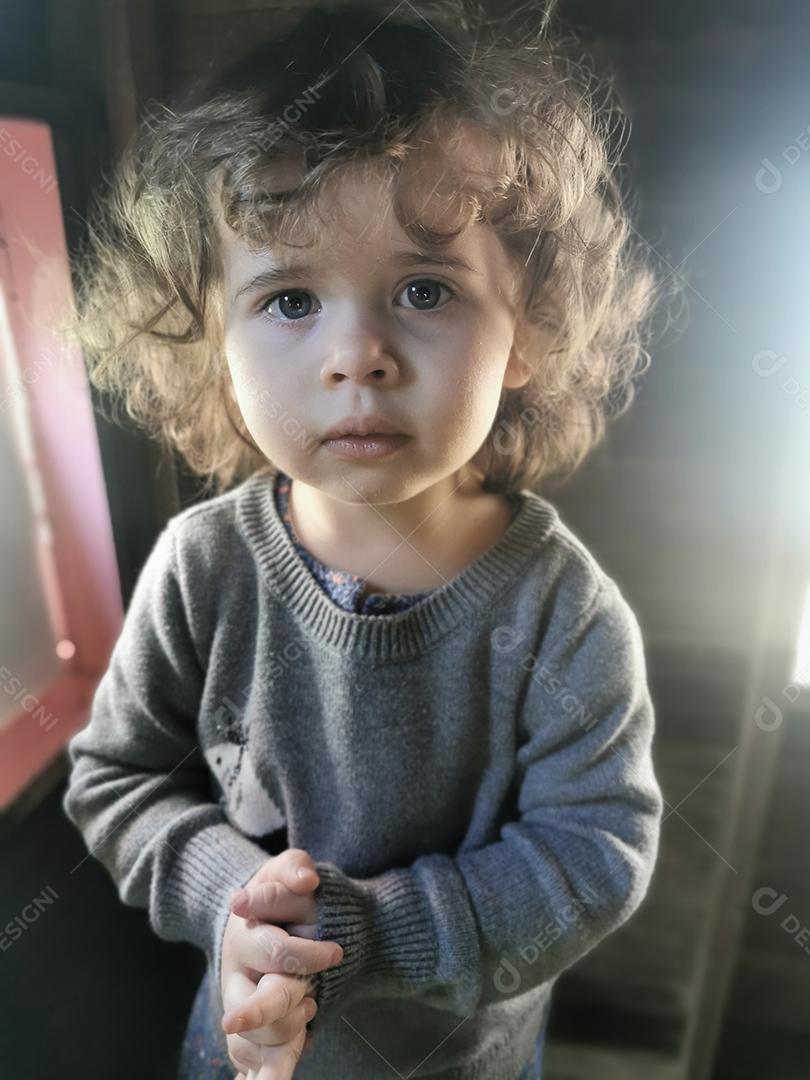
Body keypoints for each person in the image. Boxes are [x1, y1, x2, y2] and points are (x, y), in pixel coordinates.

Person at [60, 2, 671, 1077]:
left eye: (424, 290)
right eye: (291, 297)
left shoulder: (560, 614)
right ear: (215, 342)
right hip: (241, 1054)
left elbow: (596, 854)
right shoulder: (203, 571)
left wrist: (360, 934)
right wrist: (234, 903)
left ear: (525, 326)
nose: (360, 355)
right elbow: (117, 782)